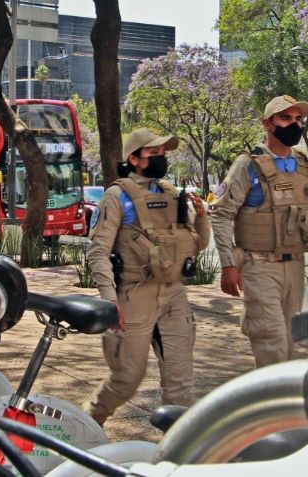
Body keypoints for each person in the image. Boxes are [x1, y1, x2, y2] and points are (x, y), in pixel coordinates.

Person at [209, 95, 308, 368]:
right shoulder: (248, 165)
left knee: (292, 341)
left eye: (298, 119)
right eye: (285, 118)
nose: (294, 124)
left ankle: (283, 399)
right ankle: (273, 401)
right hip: (258, 265)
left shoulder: (303, 165)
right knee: (271, 338)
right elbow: (222, 215)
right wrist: (227, 265)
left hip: (294, 264)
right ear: (267, 124)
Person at [83, 128, 210, 426]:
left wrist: (202, 218)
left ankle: (178, 452)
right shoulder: (116, 197)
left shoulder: (171, 194)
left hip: (174, 294)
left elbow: (197, 244)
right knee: (127, 378)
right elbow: (98, 252)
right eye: (154, 153)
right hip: (133, 295)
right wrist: (109, 301)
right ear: (134, 159)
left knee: (181, 382)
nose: (161, 158)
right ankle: (89, 422)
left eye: (163, 152)